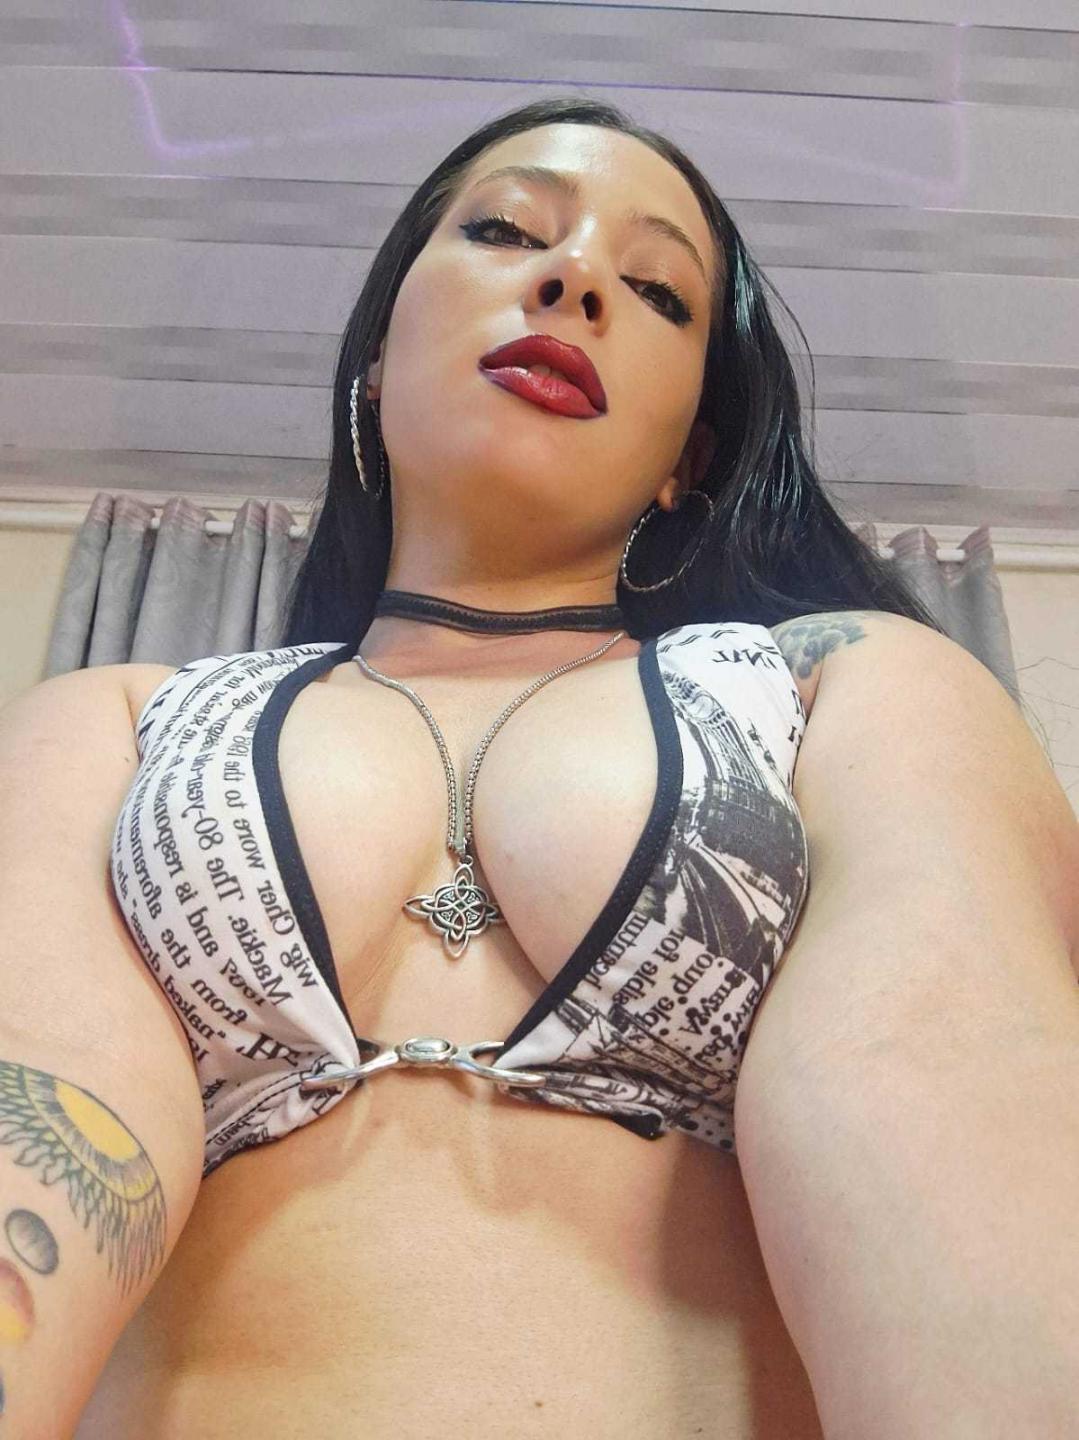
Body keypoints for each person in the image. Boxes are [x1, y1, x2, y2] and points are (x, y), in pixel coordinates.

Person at [5, 97, 1072, 1439]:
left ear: (690, 453)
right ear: (376, 361)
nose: (574, 280)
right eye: (509, 230)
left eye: (658, 292)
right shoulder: (120, 723)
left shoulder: (840, 691)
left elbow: (943, 1084)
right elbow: (42, 1100)